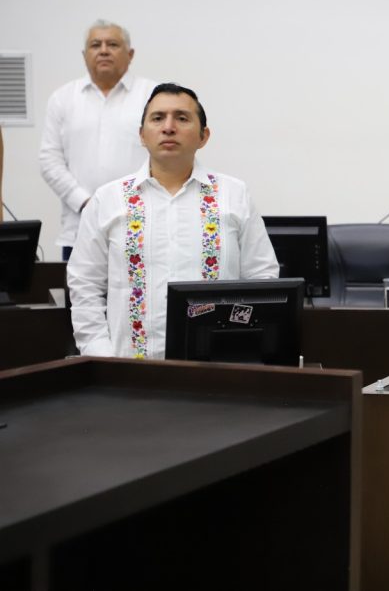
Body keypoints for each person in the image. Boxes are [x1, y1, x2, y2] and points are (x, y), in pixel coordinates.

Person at [67, 83, 279, 360]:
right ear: (142, 135)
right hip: (128, 369)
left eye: (181, 118)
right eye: (157, 118)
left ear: (203, 136)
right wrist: (102, 356)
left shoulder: (233, 194)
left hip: (220, 369)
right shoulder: (108, 199)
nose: (168, 127)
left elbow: (262, 279)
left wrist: (239, 346)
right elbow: (84, 284)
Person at [39, 20, 157, 260]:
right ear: (85, 55)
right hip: (80, 228)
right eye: (96, 45)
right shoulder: (63, 98)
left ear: (130, 54)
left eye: (112, 44)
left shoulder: (153, 95)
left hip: (143, 225)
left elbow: (166, 154)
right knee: (80, 286)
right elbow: (49, 160)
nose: (103, 50)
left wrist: (133, 202)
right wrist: (85, 202)